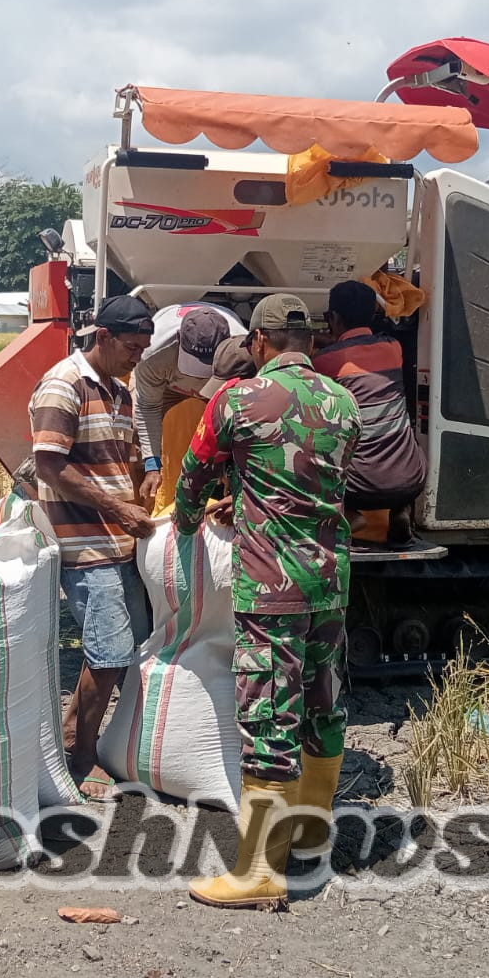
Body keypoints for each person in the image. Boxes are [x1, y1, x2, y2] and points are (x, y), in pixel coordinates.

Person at [173, 294, 362, 910]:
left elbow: (197, 468)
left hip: (271, 583)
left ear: (258, 341)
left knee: (267, 716)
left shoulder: (238, 398)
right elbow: (320, 477)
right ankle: (309, 833)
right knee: (322, 703)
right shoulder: (343, 400)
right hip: (329, 578)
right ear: (305, 340)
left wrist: (183, 521)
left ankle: (258, 871)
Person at [31, 294, 158, 800]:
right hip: (85, 544)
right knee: (107, 656)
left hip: (118, 543)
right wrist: (120, 509)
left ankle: (75, 738)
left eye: (145, 348)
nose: (138, 357)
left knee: (127, 654)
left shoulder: (120, 391)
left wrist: (146, 475)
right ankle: (81, 760)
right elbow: (49, 466)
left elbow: (120, 454)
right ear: (102, 338)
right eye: (131, 347)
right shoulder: (64, 385)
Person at [312, 280, 426, 547]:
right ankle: (400, 511)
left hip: (359, 492)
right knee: (400, 429)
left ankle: (347, 516)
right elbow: (359, 349)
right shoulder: (393, 348)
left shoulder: (323, 362)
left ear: (333, 317)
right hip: (412, 480)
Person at [133, 302, 245, 506]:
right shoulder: (153, 354)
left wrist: (230, 464)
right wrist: (151, 465)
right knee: (134, 438)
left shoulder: (243, 350)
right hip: (168, 387)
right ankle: (141, 510)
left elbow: (245, 418)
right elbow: (148, 408)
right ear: (178, 338)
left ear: (228, 344)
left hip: (220, 389)